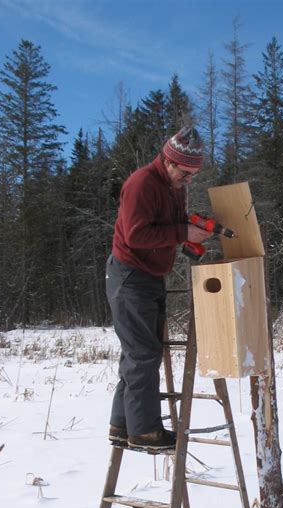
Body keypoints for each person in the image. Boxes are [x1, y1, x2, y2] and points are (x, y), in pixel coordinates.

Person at [105, 125, 208, 450]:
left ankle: (121, 426)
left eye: (193, 175)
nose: (189, 179)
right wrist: (182, 233)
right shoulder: (141, 184)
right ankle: (145, 431)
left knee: (138, 353)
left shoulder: (174, 187)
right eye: (186, 173)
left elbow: (169, 223)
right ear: (168, 160)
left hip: (150, 277)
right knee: (143, 354)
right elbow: (136, 235)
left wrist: (189, 226)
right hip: (130, 276)